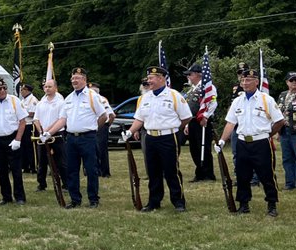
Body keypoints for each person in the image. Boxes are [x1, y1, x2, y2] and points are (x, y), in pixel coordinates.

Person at [216, 67, 285, 216]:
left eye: (248, 80)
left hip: (261, 143)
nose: (245, 83)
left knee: (266, 174)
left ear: (256, 82)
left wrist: (268, 134)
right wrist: (222, 140)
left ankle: (272, 204)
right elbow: (230, 123)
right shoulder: (237, 101)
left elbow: (279, 121)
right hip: (242, 143)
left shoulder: (266, 100)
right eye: (242, 80)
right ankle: (243, 204)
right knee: (242, 175)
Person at [124, 65, 191, 212]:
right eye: (148, 78)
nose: (149, 81)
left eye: (151, 78)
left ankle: (178, 201)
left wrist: (174, 128)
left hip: (168, 137)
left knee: (171, 171)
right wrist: (129, 132)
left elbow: (186, 117)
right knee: (153, 172)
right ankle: (154, 201)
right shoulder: (144, 98)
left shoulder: (174, 95)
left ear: (161, 78)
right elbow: (139, 119)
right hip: (150, 138)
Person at [43, 67, 110, 208]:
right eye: (73, 78)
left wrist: (94, 128)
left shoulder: (92, 96)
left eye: (77, 78)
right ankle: (75, 199)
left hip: (88, 138)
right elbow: (62, 119)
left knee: (91, 169)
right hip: (71, 138)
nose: (74, 80)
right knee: (72, 169)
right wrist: (49, 133)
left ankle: (93, 199)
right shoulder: (68, 98)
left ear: (84, 80)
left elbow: (104, 116)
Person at [0, 77, 29, 205]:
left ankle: (19, 197)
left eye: (4, 88)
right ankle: (6, 197)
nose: (2, 90)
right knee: (1, 170)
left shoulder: (14, 101)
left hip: (12, 138)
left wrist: (18, 140)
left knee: (16, 170)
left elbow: (22, 122)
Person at [182, 64, 216, 181]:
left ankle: (208, 173)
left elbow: (212, 103)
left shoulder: (207, 87)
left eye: (190, 74)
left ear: (198, 74)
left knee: (203, 148)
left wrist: (205, 116)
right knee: (194, 148)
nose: (188, 77)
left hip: (202, 121)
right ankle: (199, 172)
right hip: (192, 122)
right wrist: (187, 124)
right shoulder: (193, 89)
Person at [33, 78, 65, 193]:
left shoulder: (61, 102)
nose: (47, 89)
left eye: (50, 87)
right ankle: (41, 184)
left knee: (60, 161)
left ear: (55, 88)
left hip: (56, 134)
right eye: (46, 87)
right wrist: (41, 131)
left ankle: (65, 184)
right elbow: (36, 119)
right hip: (43, 135)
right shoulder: (41, 103)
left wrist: (48, 131)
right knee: (42, 161)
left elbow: (60, 119)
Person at [277, 72, 296, 190]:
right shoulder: (282, 95)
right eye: (291, 80)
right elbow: (277, 111)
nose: (294, 82)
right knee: (287, 158)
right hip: (284, 130)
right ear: (287, 82)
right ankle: (289, 183)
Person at [90, 83, 114, 177]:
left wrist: (106, 125)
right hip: (91, 126)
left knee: (101, 150)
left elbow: (111, 115)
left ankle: (104, 171)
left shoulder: (102, 99)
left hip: (100, 126)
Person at [19, 83, 38, 174]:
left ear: (27, 90)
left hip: (30, 125)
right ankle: (25, 166)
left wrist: (23, 114)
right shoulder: (22, 101)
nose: (21, 92)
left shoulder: (32, 100)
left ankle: (33, 166)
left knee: (31, 147)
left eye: (22, 90)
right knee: (23, 146)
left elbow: (33, 113)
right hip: (23, 125)